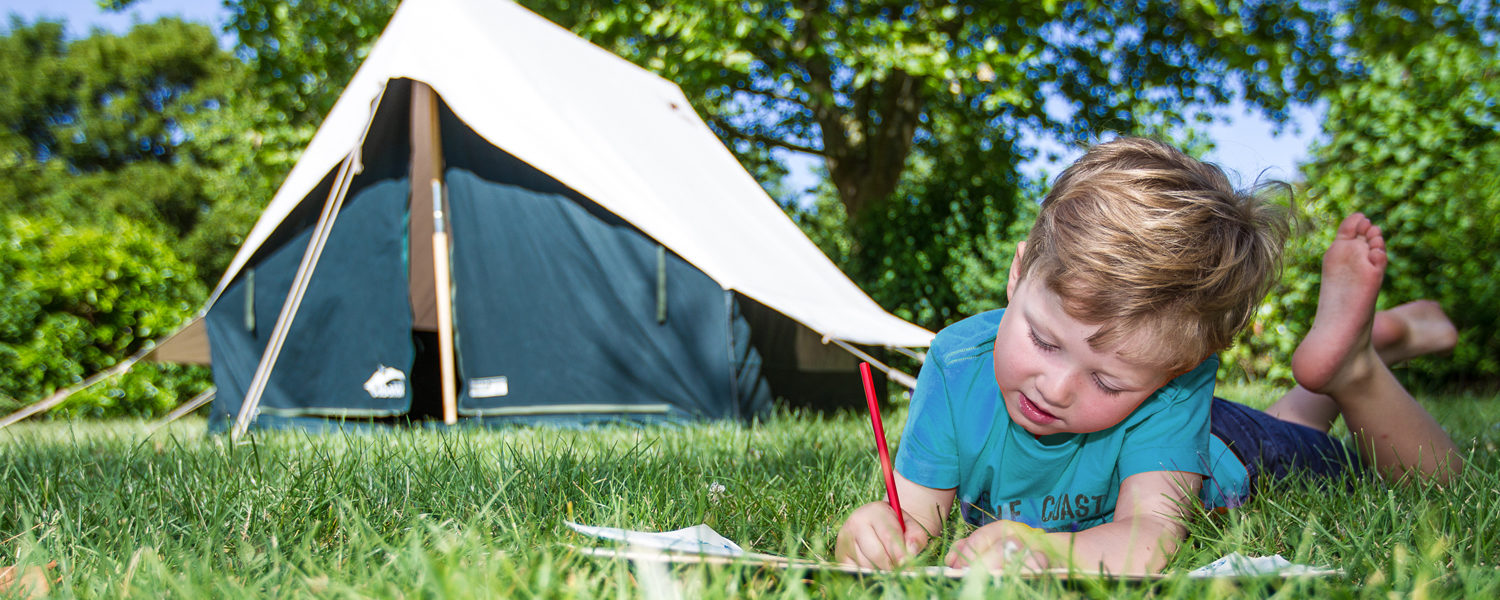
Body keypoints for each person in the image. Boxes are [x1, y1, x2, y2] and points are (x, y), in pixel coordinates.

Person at [833, 137, 1464, 575]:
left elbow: (1148, 539)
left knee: (1426, 481)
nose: (1053, 387)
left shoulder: (1173, 391)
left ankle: (1355, 369)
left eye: (1108, 380)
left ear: (1178, 370)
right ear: (1019, 272)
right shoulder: (957, 360)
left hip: (1229, 446)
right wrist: (874, 530)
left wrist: (1049, 551)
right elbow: (914, 523)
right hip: (1176, 427)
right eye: (1045, 341)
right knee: (1298, 410)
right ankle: (1371, 342)